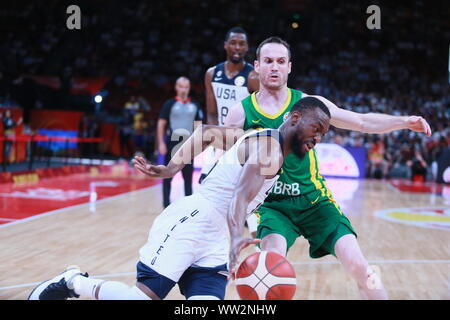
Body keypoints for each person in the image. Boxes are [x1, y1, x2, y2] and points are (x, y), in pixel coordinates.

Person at [28, 97, 331, 300]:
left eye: (323, 134)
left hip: (216, 239)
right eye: (316, 128)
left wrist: (172, 167)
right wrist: (239, 237)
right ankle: (74, 282)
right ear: (294, 117)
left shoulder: (262, 136)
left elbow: (209, 133)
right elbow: (239, 196)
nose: (317, 138)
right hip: (194, 224)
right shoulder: (270, 150)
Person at [222, 36, 432, 299]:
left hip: (315, 202)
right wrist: (229, 240)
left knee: (362, 269)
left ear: (289, 67)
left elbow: (361, 121)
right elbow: (225, 173)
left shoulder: (309, 104)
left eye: (280, 61)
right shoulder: (239, 114)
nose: (274, 67)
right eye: (268, 61)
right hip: (272, 207)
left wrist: (403, 121)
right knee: (269, 273)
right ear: (256, 66)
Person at [201, 26, 260, 236]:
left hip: (243, 142)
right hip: (220, 140)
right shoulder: (211, 74)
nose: (237, 47)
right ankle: (208, 240)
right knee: (206, 188)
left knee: (248, 196)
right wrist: (214, 141)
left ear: (247, 48)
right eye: (233, 43)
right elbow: (210, 112)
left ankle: (259, 250)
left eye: (242, 44)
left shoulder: (253, 77)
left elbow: (260, 111)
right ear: (226, 45)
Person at [157, 76, 203, 208]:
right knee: (167, 176)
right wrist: (160, 143)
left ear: (189, 88)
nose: (183, 90)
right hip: (172, 143)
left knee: (188, 177)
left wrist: (198, 145)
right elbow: (161, 124)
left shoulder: (195, 105)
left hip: (188, 145)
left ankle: (187, 207)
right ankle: (166, 205)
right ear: (176, 87)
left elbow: (199, 127)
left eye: (186, 87)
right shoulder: (169, 104)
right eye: (181, 87)